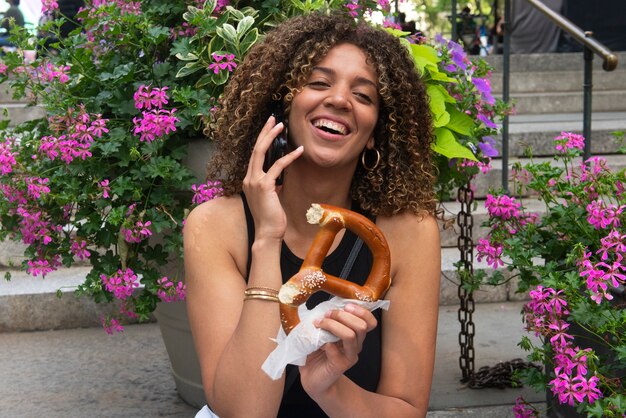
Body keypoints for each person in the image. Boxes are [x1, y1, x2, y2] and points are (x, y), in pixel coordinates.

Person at [184, 12, 441, 418]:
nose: (339, 100)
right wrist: (267, 241)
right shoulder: (215, 226)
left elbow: (408, 408)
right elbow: (242, 412)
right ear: (284, 106)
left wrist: (330, 390)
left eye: (363, 95)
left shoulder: (409, 233)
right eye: (318, 83)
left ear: (375, 130)